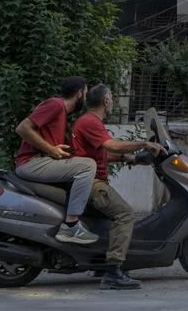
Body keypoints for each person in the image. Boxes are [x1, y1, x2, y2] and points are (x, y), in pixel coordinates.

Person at [70, 83, 165, 291]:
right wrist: (144, 144)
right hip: (93, 184)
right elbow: (110, 145)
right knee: (125, 215)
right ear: (106, 101)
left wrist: (128, 158)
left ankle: (102, 264)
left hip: (88, 182)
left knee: (107, 223)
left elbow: (100, 154)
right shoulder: (91, 121)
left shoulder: (88, 121)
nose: (112, 101)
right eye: (111, 97)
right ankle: (113, 271)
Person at [14, 75, 99, 245]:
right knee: (88, 166)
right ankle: (71, 226)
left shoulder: (61, 111)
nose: (86, 96)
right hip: (32, 162)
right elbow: (22, 128)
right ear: (79, 92)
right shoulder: (56, 104)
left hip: (40, 161)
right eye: (86, 92)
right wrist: (50, 149)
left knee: (82, 163)